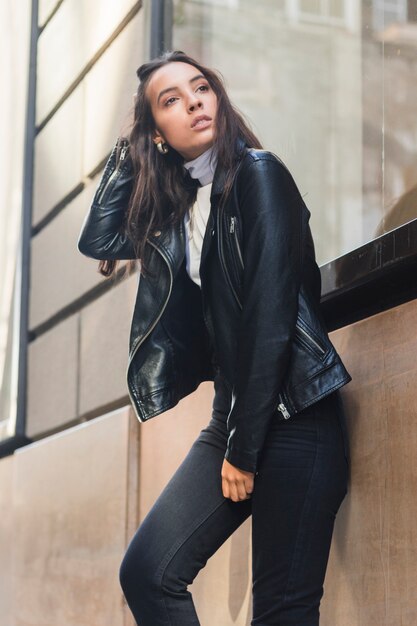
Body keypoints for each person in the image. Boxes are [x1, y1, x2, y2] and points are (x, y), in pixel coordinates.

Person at [77, 50, 352, 626]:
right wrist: (133, 144)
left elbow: (272, 317)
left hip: (296, 414)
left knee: (281, 611)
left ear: (219, 98)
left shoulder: (258, 173)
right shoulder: (180, 214)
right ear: (157, 132)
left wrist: (244, 449)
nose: (195, 102)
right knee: (147, 573)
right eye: (171, 100)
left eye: (200, 88)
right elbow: (99, 237)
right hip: (235, 416)